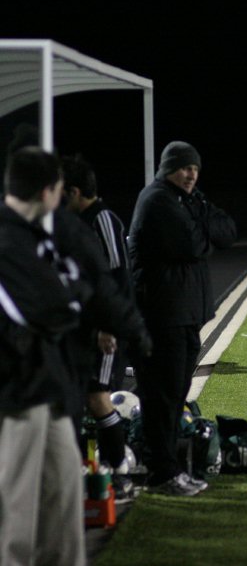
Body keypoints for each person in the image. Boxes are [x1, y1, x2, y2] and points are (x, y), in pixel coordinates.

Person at [128, 140, 237, 495]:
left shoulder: (189, 200)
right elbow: (192, 244)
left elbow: (227, 232)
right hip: (163, 315)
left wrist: (201, 226)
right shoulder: (157, 199)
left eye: (195, 168)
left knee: (175, 395)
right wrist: (203, 228)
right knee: (162, 395)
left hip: (186, 314)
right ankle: (161, 473)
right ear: (167, 167)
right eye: (184, 167)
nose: (191, 174)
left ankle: (168, 468)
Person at [0, 146, 87, 566]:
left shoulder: (30, 234)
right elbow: (56, 308)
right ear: (48, 191)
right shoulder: (9, 236)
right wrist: (73, 295)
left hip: (45, 384)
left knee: (65, 491)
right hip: (16, 391)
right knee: (16, 509)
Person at [61, 154, 139, 498]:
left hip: (105, 331)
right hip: (82, 330)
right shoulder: (73, 222)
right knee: (78, 400)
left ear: (75, 191)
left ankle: (120, 471)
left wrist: (108, 327)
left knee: (97, 398)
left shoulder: (103, 218)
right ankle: (85, 474)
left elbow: (118, 277)